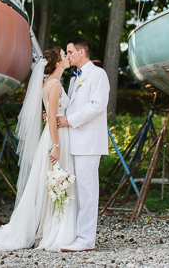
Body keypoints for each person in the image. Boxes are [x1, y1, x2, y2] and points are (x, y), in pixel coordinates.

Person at [0, 47, 78, 251]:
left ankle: (41, 230)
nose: (67, 57)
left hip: (50, 137)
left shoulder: (47, 84)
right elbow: (50, 116)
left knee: (46, 185)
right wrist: (56, 145)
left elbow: (50, 114)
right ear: (58, 63)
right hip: (55, 139)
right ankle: (45, 232)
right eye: (64, 55)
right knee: (51, 184)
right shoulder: (55, 84)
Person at [55, 37, 110, 253]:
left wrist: (69, 120)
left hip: (88, 141)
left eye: (69, 52)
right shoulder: (73, 78)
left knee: (88, 191)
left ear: (81, 53)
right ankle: (75, 234)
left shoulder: (98, 74)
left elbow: (98, 106)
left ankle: (86, 240)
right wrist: (56, 116)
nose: (67, 56)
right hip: (73, 140)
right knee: (75, 190)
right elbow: (70, 107)